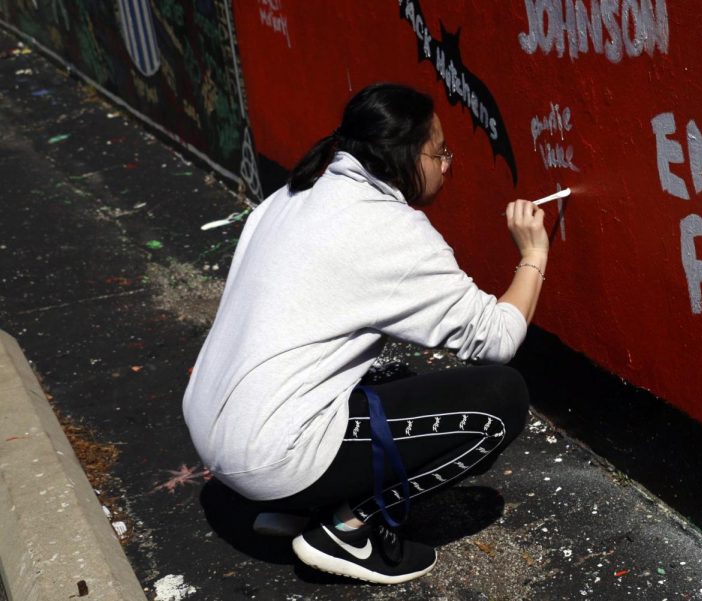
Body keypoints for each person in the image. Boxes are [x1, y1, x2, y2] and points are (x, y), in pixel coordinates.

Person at [182, 82, 550, 584]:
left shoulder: (297, 191)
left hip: (216, 433)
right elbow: (496, 338)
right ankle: (345, 528)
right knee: (499, 401)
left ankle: (304, 502)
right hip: (267, 453)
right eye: (440, 152)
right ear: (403, 156)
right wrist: (533, 255)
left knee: (389, 376)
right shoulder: (388, 228)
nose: (449, 164)